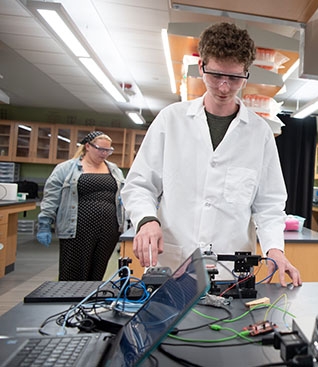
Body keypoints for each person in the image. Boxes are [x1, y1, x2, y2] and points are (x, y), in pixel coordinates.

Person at [121, 22, 301, 287]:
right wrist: (147, 220)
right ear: (202, 66)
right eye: (216, 75)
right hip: (174, 262)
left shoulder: (259, 133)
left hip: (230, 270)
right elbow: (139, 184)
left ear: (246, 73)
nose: (225, 87)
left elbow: (269, 204)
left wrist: (275, 248)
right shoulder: (171, 120)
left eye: (235, 78)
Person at [36, 131, 125, 281]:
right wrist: (45, 223)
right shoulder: (66, 169)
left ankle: (90, 303)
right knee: (73, 273)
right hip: (77, 230)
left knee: (97, 272)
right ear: (88, 147)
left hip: (109, 230)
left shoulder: (113, 169)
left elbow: (123, 194)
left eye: (108, 150)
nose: (104, 154)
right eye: (100, 149)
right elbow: (51, 197)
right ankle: (68, 303)